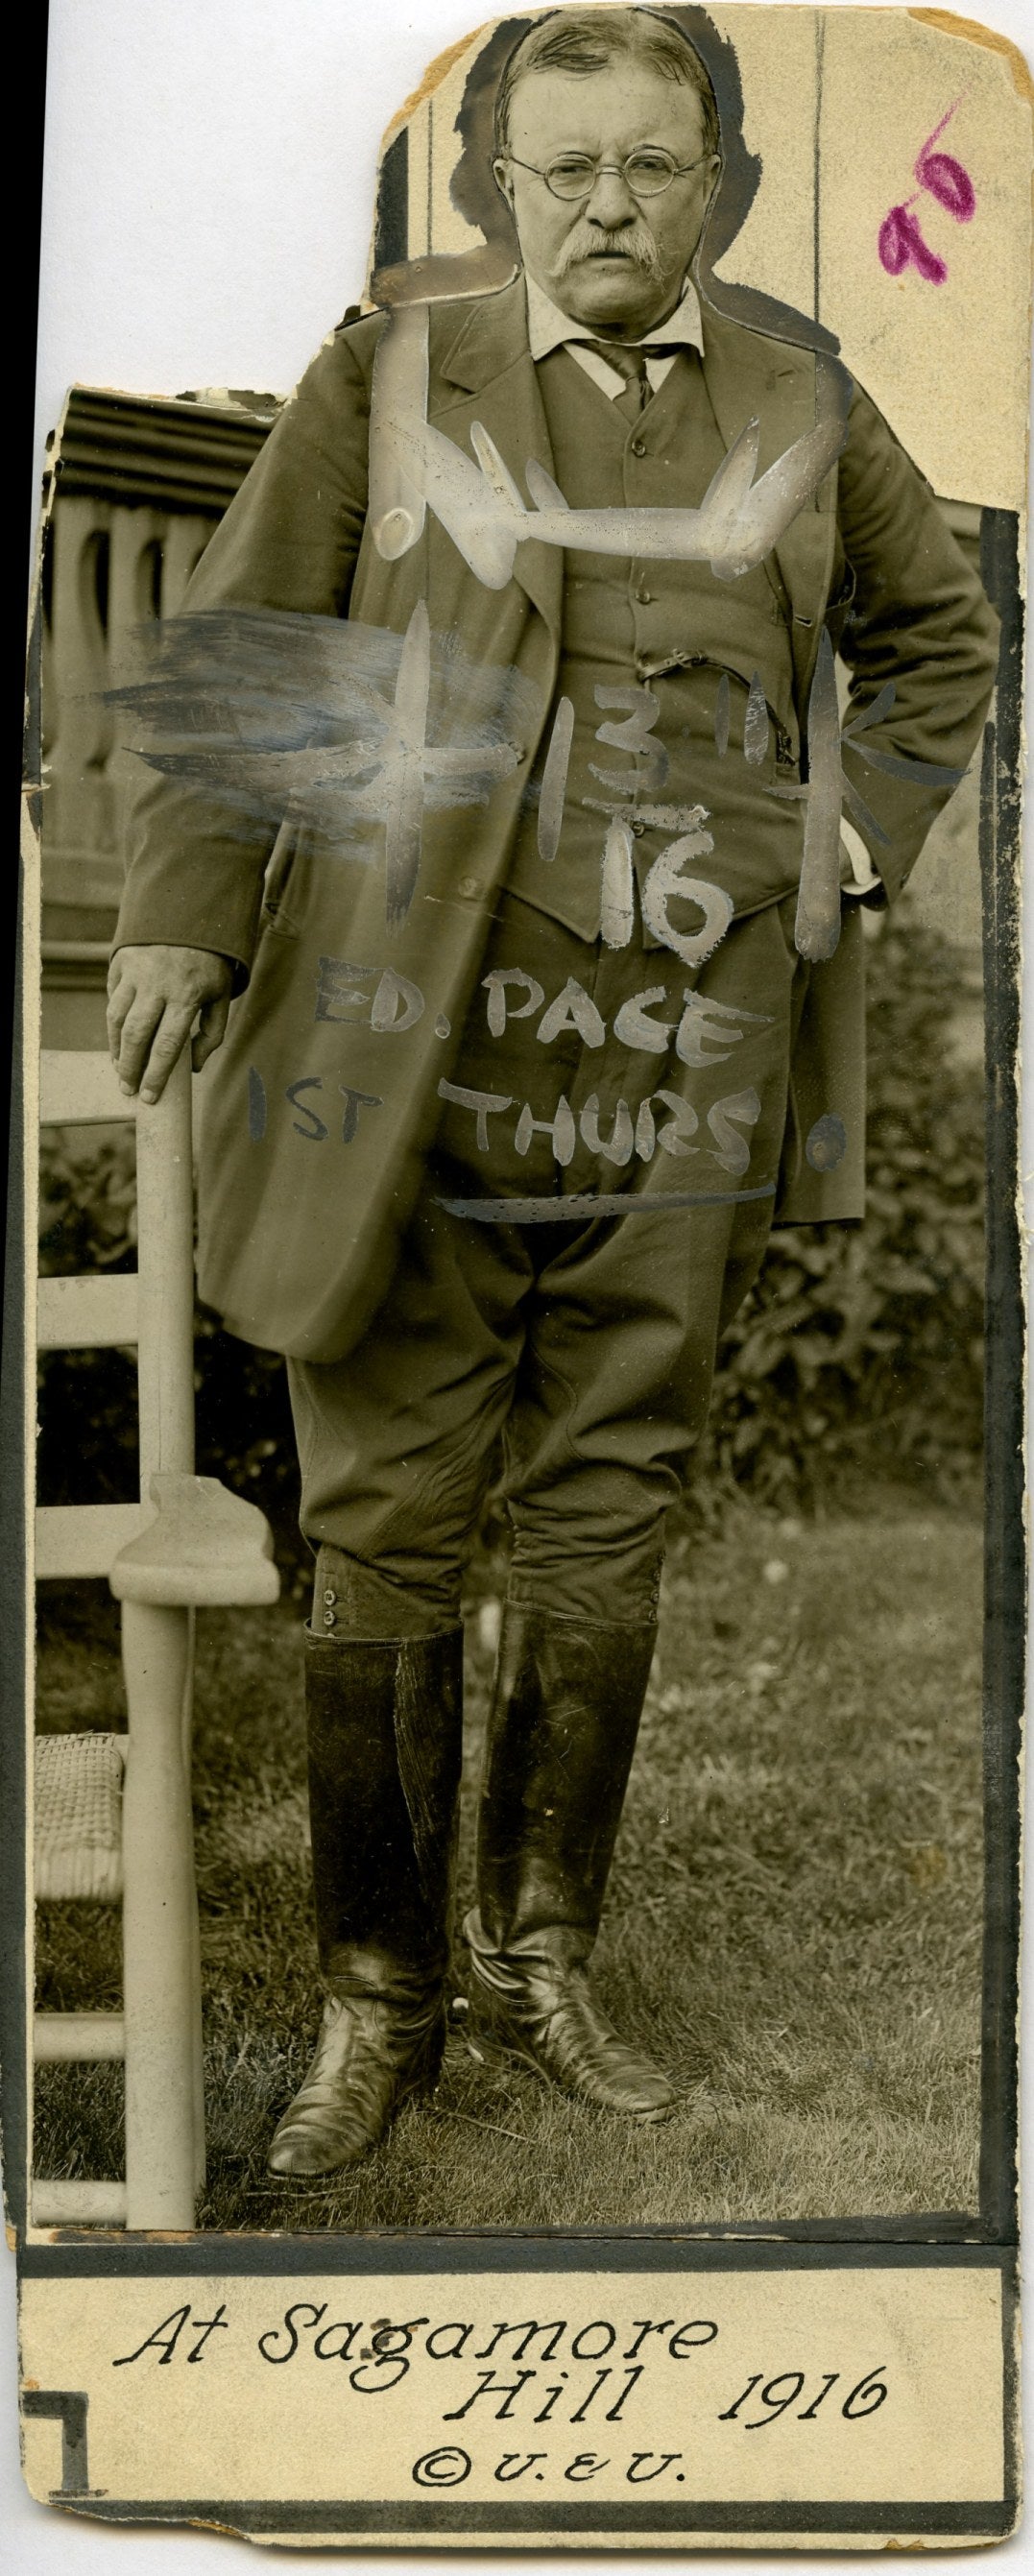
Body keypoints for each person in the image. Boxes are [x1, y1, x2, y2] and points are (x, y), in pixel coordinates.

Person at [106, 6, 998, 2178]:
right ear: (496, 186)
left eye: (651, 166)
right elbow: (248, 649)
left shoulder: (801, 387)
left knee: (607, 1500)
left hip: (682, 1062)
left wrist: (849, 837)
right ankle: (374, 2002)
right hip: (401, 1052)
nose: (609, 206)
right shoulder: (390, 366)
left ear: (722, 183)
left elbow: (938, 639)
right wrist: (190, 917)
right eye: (565, 167)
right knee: (388, 1510)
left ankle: (536, 1959)